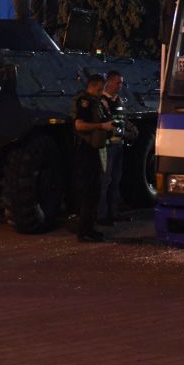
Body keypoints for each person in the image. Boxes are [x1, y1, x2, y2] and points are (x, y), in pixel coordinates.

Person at [73, 73, 113, 243]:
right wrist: (101, 126)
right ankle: (84, 231)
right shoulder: (85, 101)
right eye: (101, 88)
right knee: (89, 192)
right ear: (95, 85)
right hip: (86, 150)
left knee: (95, 191)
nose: (102, 91)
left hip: (95, 150)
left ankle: (89, 227)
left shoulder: (96, 102)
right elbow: (79, 125)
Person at [97, 71, 138, 226]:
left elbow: (122, 119)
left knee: (115, 180)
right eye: (117, 83)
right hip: (107, 146)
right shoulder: (102, 102)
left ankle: (113, 213)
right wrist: (126, 134)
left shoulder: (117, 100)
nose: (120, 86)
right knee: (105, 181)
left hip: (118, 145)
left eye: (121, 83)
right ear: (109, 82)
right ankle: (101, 215)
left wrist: (132, 128)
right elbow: (108, 124)